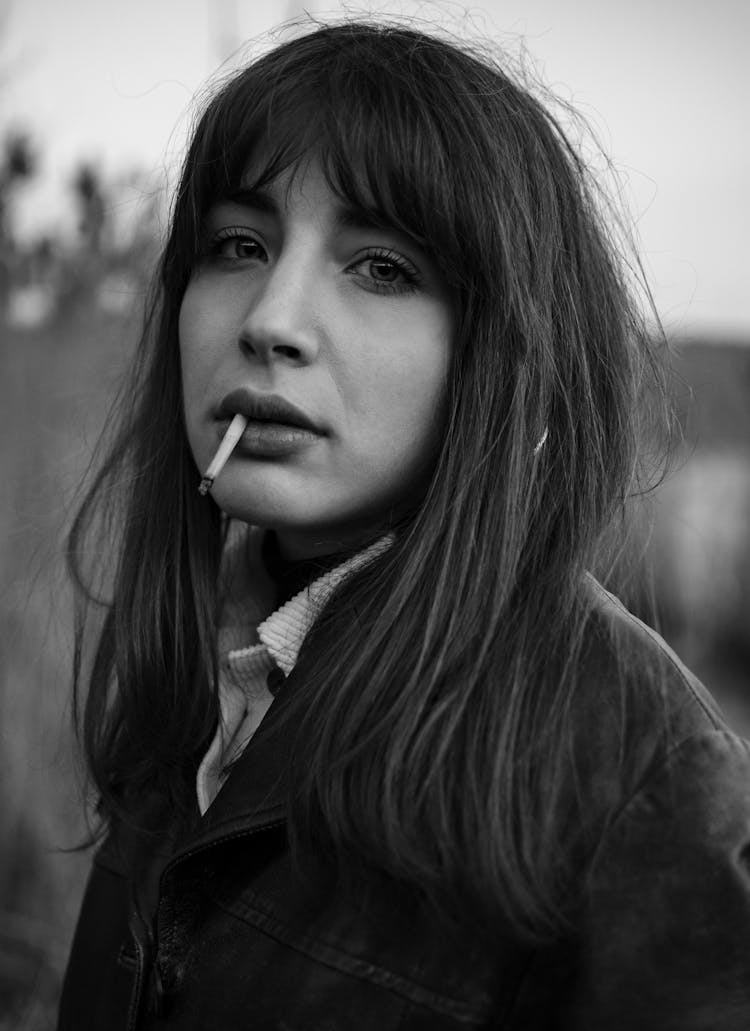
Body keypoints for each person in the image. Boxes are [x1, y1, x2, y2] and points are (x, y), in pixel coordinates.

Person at [58, 20, 750, 1031]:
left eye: (381, 266)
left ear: (503, 353)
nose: (271, 319)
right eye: (238, 245)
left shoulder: (637, 779)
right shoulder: (194, 659)